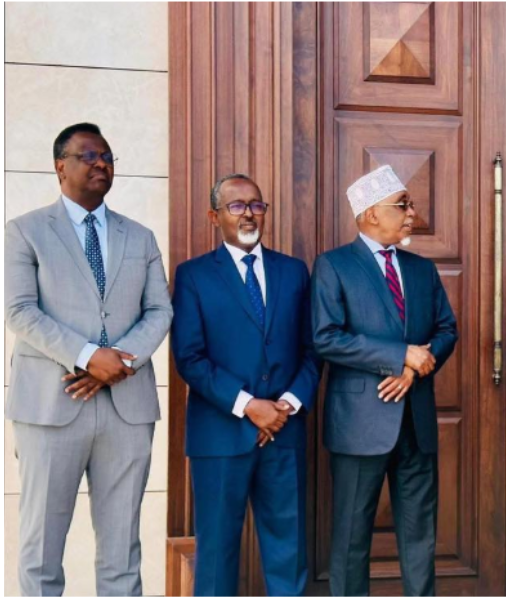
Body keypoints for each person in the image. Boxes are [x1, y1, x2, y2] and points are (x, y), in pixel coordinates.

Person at [4, 122, 173, 596]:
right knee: (41, 550)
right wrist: (86, 357)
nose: (101, 164)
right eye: (89, 156)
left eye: (108, 157)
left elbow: (160, 310)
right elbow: (19, 310)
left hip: (127, 409)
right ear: (60, 166)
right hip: (50, 406)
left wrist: (117, 364)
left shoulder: (139, 237)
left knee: (122, 552)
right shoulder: (25, 231)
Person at [170, 174, 320, 595]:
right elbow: (189, 358)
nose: (249, 213)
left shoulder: (293, 272)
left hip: (284, 433)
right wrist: (249, 406)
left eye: (256, 204)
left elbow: (312, 349)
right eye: (236, 206)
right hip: (220, 435)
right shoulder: (193, 275)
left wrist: (286, 405)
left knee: (289, 554)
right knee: (216, 557)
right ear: (214, 216)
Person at [312, 165, 458, 596]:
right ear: (371, 213)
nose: (412, 213)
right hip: (359, 425)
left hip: (416, 421)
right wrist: (398, 355)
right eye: (402, 205)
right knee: (351, 537)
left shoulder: (421, 269)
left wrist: (412, 367)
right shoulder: (333, 265)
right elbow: (326, 338)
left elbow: (447, 330)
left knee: (420, 537)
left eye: (410, 205)